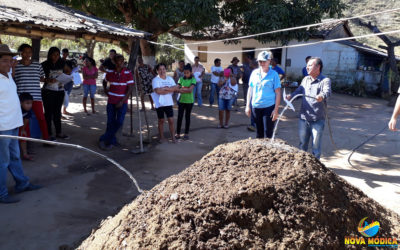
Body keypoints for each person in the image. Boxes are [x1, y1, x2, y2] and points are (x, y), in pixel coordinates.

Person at [0, 44, 41, 204]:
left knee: (15, 157)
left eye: (10, 60)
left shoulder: (8, 74)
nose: (8, 63)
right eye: (4, 60)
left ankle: (22, 184)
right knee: (2, 162)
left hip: (13, 124)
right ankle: (2, 194)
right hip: (2, 128)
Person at [286, 57, 331, 159]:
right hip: (304, 117)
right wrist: (290, 96)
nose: (307, 67)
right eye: (307, 65)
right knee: (302, 144)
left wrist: (321, 96)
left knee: (315, 146)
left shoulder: (325, 80)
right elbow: (299, 91)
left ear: (318, 67)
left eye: (310, 65)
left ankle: (316, 166)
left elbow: (326, 91)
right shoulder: (305, 79)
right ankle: (301, 164)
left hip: (317, 119)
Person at [14, 43, 49, 141]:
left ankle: (46, 138)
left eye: (29, 52)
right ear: (21, 53)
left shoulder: (37, 64)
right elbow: (12, 78)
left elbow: (42, 78)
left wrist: (49, 80)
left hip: (36, 96)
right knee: (24, 120)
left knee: (41, 118)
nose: (27, 54)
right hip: (22, 98)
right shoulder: (16, 65)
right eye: (25, 52)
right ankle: (25, 141)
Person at [99, 54, 134, 150]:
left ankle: (104, 138)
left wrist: (122, 101)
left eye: (123, 60)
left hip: (122, 102)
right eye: (119, 60)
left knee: (119, 122)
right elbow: (104, 81)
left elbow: (130, 88)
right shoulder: (110, 72)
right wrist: (105, 90)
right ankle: (111, 142)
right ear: (114, 62)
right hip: (111, 101)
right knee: (110, 121)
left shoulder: (127, 72)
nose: (122, 62)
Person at [245, 51, 281, 139]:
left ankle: (269, 151)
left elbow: (278, 93)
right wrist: (247, 106)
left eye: (264, 61)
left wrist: (276, 110)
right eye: (260, 61)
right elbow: (250, 90)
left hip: (269, 107)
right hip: (256, 106)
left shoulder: (274, 74)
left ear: (269, 61)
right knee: (259, 133)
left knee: (268, 132)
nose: (262, 63)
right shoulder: (254, 73)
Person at [41, 47, 69, 140]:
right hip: (48, 92)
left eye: (57, 54)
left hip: (59, 92)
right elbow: (39, 76)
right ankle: (48, 133)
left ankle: (59, 132)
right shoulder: (44, 64)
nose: (56, 56)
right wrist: (47, 79)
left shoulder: (62, 62)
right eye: (53, 54)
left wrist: (66, 76)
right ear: (49, 55)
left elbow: (68, 71)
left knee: (57, 113)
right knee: (48, 113)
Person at [151, 63, 179, 143]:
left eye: (163, 69)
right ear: (157, 71)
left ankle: (173, 138)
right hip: (159, 103)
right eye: (160, 69)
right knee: (161, 120)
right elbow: (158, 91)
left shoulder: (170, 79)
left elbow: (176, 88)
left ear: (165, 70)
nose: (162, 71)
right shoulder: (155, 80)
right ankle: (162, 137)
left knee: (171, 120)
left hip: (168, 102)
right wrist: (169, 89)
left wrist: (165, 89)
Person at [176, 64, 196, 140]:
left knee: (187, 117)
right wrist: (185, 89)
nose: (186, 74)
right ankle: (177, 133)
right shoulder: (181, 79)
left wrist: (182, 88)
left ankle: (186, 133)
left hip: (189, 102)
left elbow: (190, 90)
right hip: (181, 101)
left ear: (191, 72)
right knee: (179, 117)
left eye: (187, 72)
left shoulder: (193, 79)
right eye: (184, 72)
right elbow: (177, 88)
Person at [242, 55, 258, 132]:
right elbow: (250, 88)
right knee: (252, 110)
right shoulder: (253, 71)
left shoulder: (258, 72)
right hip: (252, 93)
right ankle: (253, 125)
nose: (249, 64)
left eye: (251, 63)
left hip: (258, 95)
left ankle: (256, 125)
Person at [18, 93, 34, 161]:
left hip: (23, 124)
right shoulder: (16, 109)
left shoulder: (29, 111)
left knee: (23, 137)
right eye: (27, 103)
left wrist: (22, 129)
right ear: (20, 103)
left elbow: (26, 120)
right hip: (13, 124)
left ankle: (25, 154)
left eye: (31, 103)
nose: (30, 105)